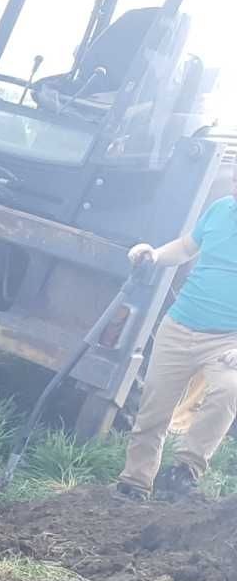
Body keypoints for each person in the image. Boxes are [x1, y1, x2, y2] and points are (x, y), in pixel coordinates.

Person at [117, 161, 237, 502]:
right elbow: (186, 247)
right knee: (153, 409)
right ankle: (135, 483)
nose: (235, 181)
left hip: (228, 339)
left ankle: (184, 470)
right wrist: (154, 255)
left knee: (229, 391)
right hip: (180, 324)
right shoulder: (220, 209)